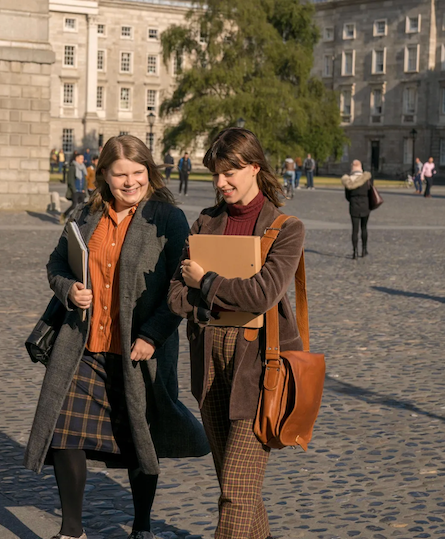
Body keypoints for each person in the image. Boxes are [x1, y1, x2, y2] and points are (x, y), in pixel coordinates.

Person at [24, 135, 210, 539]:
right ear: (103, 175)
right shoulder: (85, 214)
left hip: (138, 350)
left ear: (150, 172)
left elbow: (181, 288)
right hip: (82, 346)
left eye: (138, 173)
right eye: (121, 174)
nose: (130, 182)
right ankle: (71, 530)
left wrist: (152, 335)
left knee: (139, 439)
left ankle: (141, 526)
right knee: (63, 432)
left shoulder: (167, 218)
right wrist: (69, 289)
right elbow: (57, 263)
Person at [168, 127, 305, 539]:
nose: (221, 183)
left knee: (236, 493)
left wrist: (207, 283)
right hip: (209, 363)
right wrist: (212, 298)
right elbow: (175, 296)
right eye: (215, 174)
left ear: (255, 168)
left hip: (260, 368)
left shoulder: (286, 228)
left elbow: (261, 294)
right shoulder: (206, 222)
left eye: (230, 173)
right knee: (238, 488)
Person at [342, 159, 372, 259]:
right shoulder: (367, 179)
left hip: (354, 206)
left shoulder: (349, 180)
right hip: (365, 205)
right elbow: (370, 192)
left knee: (355, 230)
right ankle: (364, 250)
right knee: (364, 228)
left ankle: (355, 251)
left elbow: (347, 196)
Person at [61, 152, 88, 224]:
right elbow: (70, 180)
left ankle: (78, 220)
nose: (83, 160)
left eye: (83, 158)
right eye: (81, 158)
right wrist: (74, 189)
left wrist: (84, 189)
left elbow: (84, 179)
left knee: (82, 206)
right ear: (77, 159)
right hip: (75, 190)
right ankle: (64, 215)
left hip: (81, 190)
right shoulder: (72, 167)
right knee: (74, 205)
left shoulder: (82, 167)